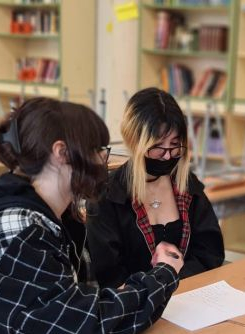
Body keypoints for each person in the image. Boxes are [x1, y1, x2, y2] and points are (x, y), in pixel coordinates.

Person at [0, 98, 183, 334]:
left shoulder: (58, 217)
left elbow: (75, 305)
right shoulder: (21, 230)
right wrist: (162, 275)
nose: (102, 161)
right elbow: (86, 321)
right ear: (61, 153)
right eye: (96, 150)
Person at [86, 87, 224, 287]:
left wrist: (178, 279)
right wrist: (161, 280)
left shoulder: (186, 186)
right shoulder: (107, 196)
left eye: (175, 144)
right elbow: (110, 274)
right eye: (158, 146)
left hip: (189, 297)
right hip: (134, 307)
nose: (168, 155)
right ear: (135, 142)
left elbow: (210, 253)